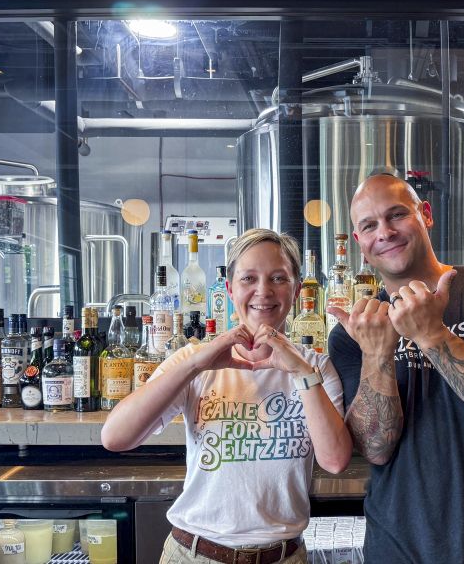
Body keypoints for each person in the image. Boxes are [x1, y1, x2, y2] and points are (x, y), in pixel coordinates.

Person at [328, 173, 464, 563]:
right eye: (369, 225)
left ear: (425, 215)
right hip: (398, 550)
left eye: (396, 215)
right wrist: (378, 355)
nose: (384, 231)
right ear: (360, 246)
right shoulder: (355, 332)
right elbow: (376, 450)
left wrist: (432, 335)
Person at [102, 228, 352, 564]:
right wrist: (195, 364)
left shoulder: (316, 369)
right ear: (231, 290)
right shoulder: (195, 362)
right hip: (194, 553)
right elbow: (115, 437)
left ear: (295, 292)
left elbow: (335, 461)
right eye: (249, 278)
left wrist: (301, 373)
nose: (263, 291)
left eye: (278, 278)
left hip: (283, 557)